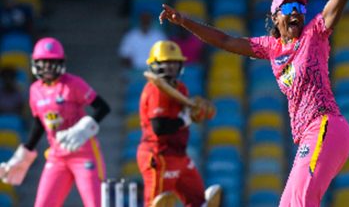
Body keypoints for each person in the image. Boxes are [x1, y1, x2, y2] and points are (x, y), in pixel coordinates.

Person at [159, 0, 349, 206]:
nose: (296, 12)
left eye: (300, 8)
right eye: (288, 6)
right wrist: (185, 22)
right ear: (275, 17)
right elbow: (226, 41)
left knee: (302, 201)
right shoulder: (271, 47)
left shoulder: (314, 33)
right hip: (307, 137)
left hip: (326, 126)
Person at [0, 37, 111, 207]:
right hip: (57, 156)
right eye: (43, 62)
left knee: (95, 204)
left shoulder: (73, 84)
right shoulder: (35, 90)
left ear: (61, 62)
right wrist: (22, 156)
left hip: (84, 153)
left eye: (52, 62)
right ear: (35, 63)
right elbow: (39, 125)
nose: (47, 67)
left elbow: (103, 108)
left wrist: (82, 129)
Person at [137, 40, 221, 207]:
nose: (171, 67)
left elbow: (183, 117)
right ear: (155, 64)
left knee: (199, 201)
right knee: (158, 203)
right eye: (166, 62)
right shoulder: (155, 90)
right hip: (159, 154)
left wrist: (194, 112)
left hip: (179, 155)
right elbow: (159, 127)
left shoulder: (180, 88)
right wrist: (187, 118)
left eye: (174, 62)